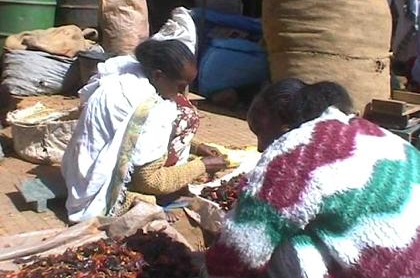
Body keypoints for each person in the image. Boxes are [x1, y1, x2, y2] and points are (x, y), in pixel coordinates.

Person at [205, 79, 420, 277]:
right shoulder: (378, 135)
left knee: (280, 244)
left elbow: (240, 251)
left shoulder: (297, 149)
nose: (261, 147)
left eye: (260, 130)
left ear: (284, 122)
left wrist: (199, 267)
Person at [62, 39, 227, 223]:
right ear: (158, 76)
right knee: (186, 114)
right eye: (180, 86)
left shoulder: (126, 75)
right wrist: (203, 165)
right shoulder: (152, 108)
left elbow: (130, 135)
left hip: (80, 174)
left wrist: (195, 147)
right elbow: (149, 180)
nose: (182, 92)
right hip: (99, 192)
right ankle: (127, 199)